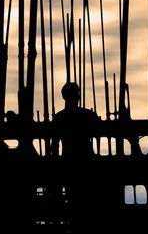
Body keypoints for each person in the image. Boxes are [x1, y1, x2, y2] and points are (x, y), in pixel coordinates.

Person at [50, 82, 102, 229]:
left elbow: (54, 146)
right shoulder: (87, 115)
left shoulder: (59, 118)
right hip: (86, 162)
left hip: (69, 162)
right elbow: (100, 130)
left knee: (74, 202)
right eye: (77, 93)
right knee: (87, 202)